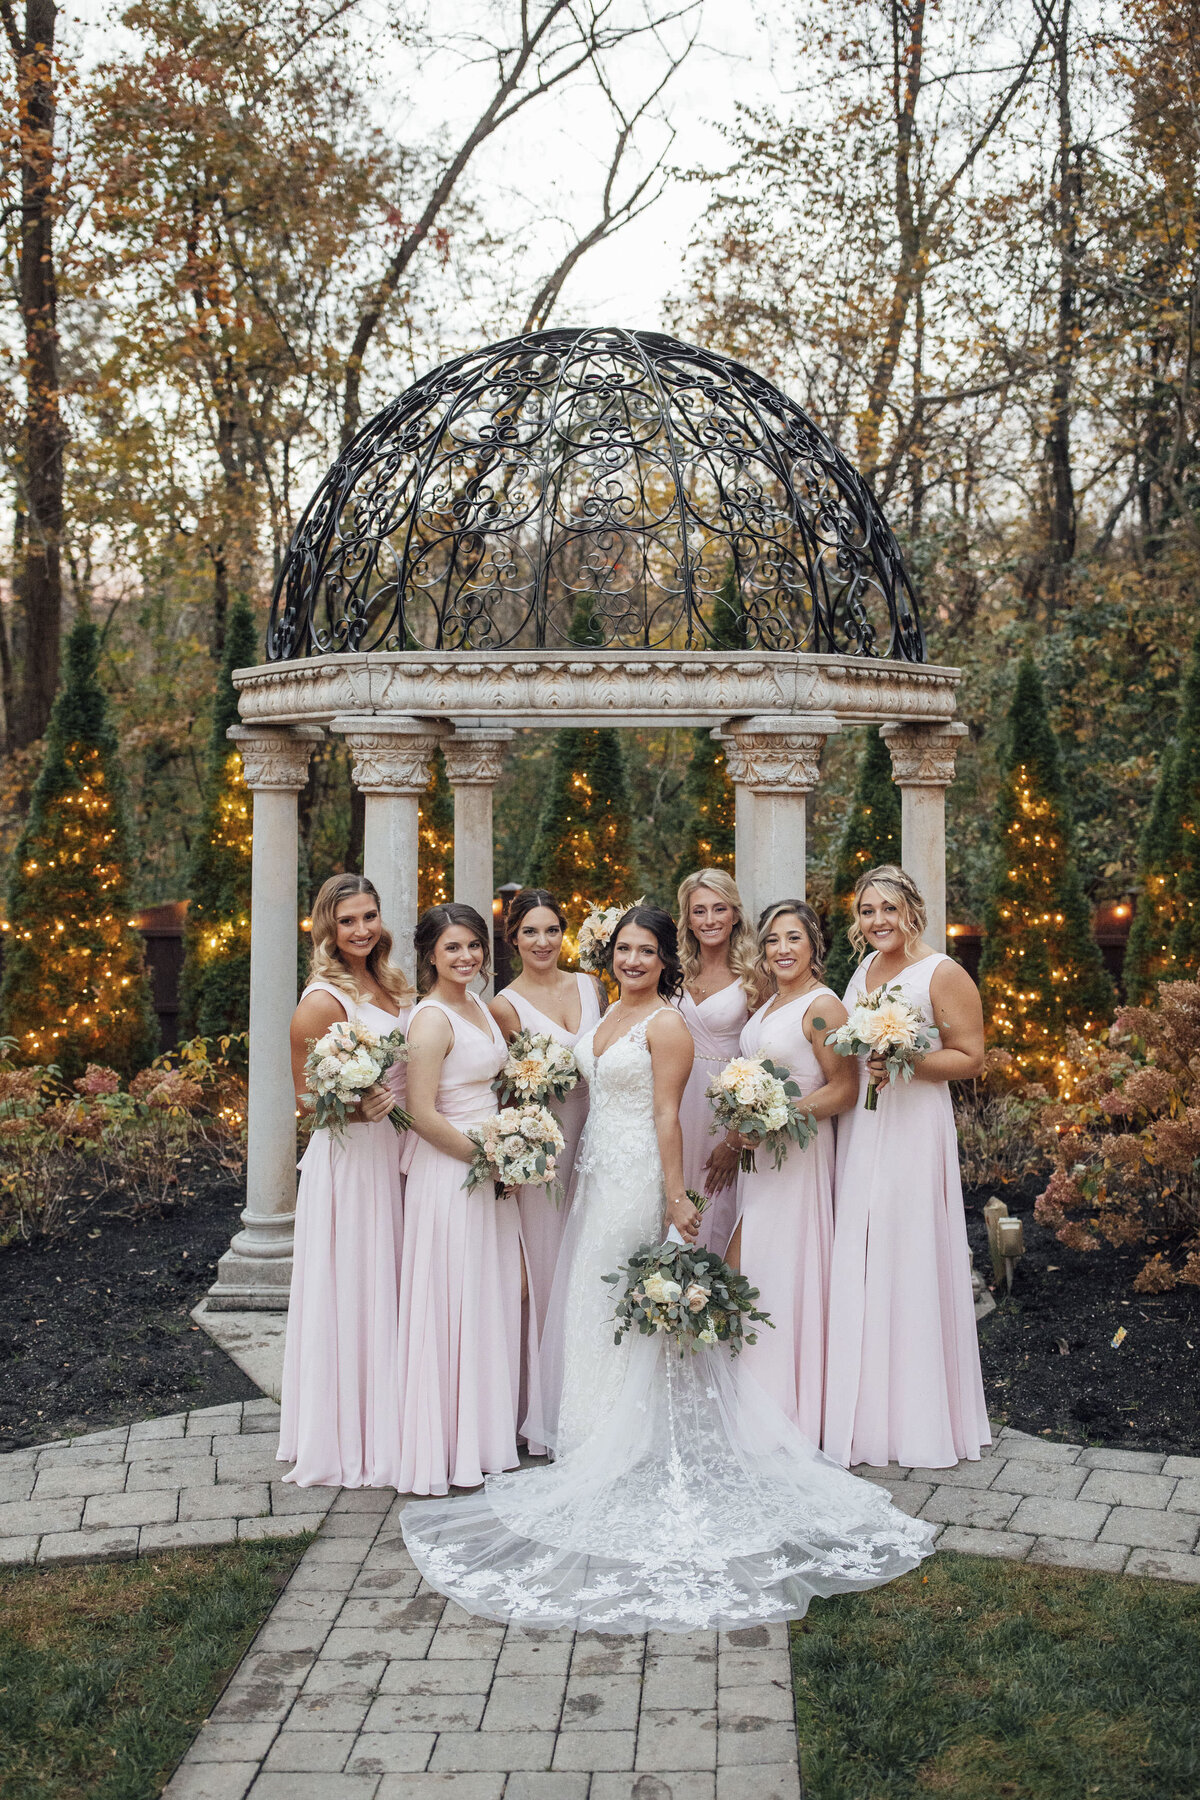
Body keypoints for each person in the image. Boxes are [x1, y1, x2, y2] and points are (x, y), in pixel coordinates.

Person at [401, 905, 933, 1635]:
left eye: (646, 951)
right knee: (591, 1303)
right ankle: (589, 1432)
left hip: (636, 1179)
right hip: (593, 1174)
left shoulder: (668, 1025)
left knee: (614, 1303)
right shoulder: (608, 1013)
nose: (632, 960)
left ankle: (630, 1439)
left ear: (664, 961)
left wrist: (675, 1194)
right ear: (610, 955)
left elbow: (665, 1116)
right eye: (623, 949)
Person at [824, 864, 991, 1471]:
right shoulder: (862, 969)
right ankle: (866, 1409)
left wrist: (906, 1059)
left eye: (888, 910)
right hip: (865, 1125)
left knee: (908, 1249)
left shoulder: (942, 972)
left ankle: (919, 1415)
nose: (877, 922)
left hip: (914, 1125)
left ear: (911, 909)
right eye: (867, 912)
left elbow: (971, 1057)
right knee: (866, 1251)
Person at [396, 903, 538, 1496]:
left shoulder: (478, 1004)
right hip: (453, 1173)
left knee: (490, 1294)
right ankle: (449, 1443)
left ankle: (486, 1434)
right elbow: (421, 1114)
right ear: (431, 954)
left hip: (491, 1164)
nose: (467, 957)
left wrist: (511, 1145)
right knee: (454, 1296)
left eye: (474, 946)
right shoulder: (430, 1020)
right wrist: (488, 1160)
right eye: (453, 948)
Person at [278, 874, 413, 1489]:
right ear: (326, 928)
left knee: (394, 1283)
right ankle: (354, 1433)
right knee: (359, 1285)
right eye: (348, 920)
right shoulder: (320, 1001)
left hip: (399, 1150)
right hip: (353, 1161)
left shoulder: (388, 983)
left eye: (369, 917)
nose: (361, 930)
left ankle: (398, 1417)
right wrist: (361, 1107)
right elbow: (306, 1101)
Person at [721, 901, 857, 1441]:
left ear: (813, 945)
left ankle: (788, 1408)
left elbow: (844, 1090)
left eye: (793, 938)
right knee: (755, 1266)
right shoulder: (774, 1000)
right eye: (773, 939)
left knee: (783, 1265)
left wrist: (777, 1116)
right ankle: (756, 1399)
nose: (781, 949)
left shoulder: (822, 1007)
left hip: (798, 1155)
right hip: (762, 1159)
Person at [489, 889, 604, 1337]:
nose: (543, 942)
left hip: (599, 1128)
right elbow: (508, 1093)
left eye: (552, 930)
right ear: (513, 937)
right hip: (546, 1143)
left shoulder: (590, 985)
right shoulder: (505, 1006)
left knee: (592, 1249)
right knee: (549, 1253)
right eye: (530, 932)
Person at [675, 868, 758, 1251]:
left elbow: (762, 1057)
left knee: (717, 1199)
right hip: (673, 1099)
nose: (709, 920)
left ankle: (712, 1302)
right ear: (688, 919)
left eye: (719, 909)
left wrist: (735, 1138)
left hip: (724, 1105)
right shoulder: (673, 970)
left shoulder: (757, 972)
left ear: (735, 914)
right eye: (699, 911)